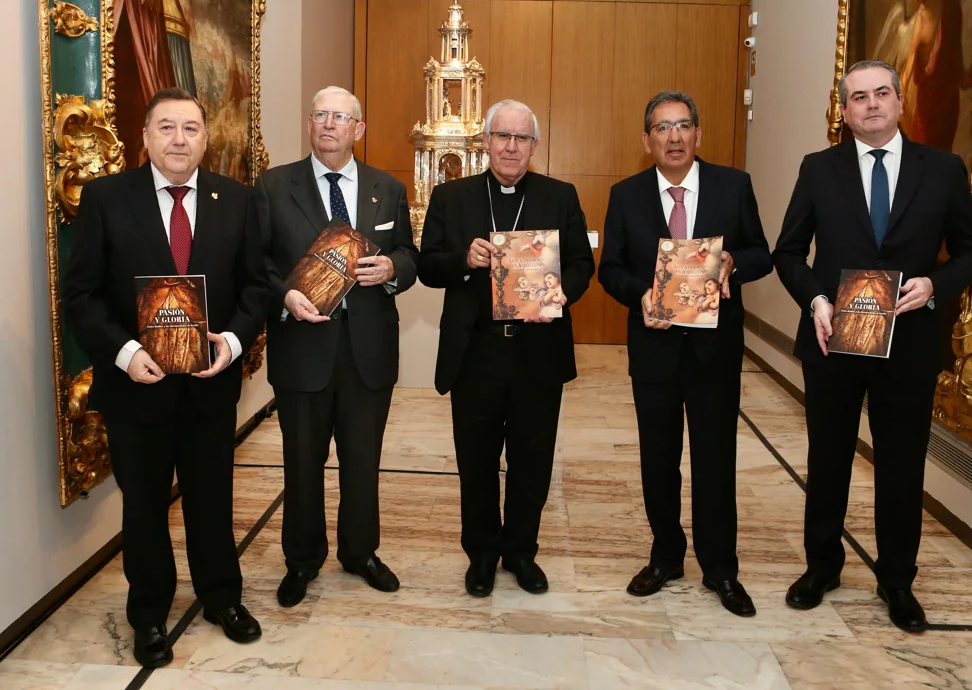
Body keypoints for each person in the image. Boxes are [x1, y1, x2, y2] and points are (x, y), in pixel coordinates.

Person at [773, 60, 972, 632]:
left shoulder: (941, 170)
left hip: (908, 343)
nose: (870, 104)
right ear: (843, 112)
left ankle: (897, 581)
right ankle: (822, 567)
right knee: (829, 461)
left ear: (900, 101)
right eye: (858, 97)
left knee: (900, 468)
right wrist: (817, 301)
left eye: (881, 94)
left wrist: (934, 285)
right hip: (833, 341)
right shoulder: (819, 169)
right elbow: (788, 252)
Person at [63, 88, 273, 668]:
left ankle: (221, 599)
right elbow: (79, 296)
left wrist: (232, 342)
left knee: (212, 497)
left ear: (206, 136)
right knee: (145, 505)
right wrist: (126, 352)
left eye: (190, 128)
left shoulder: (237, 199)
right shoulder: (106, 197)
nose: (179, 140)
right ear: (147, 136)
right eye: (167, 128)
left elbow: (258, 285)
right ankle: (149, 615)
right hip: (137, 387)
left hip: (210, 383)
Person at [599, 90, 772, 617]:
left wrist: (732, 265)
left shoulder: (733, 185)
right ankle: (666, 555)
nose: (673, 137)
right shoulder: (625, 194)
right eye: (662, 127)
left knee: (716, 460)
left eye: (683, 126)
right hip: (653, 350)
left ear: (698, 134)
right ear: (646, 139)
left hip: (715, 350)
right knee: (659, 458)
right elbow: (611, 269)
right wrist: (640, 293)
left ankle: (720, 568)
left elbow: (762, 253)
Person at [418, 100, 595, 597]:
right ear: (485, 141)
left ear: (534, 147)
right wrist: (464, 259)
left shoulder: (560, 196)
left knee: (531, 461)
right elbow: (428, 265)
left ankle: (521, 553)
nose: (512, 147)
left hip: (537, 353)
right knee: (475, 462)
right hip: (475, 353)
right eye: (502, 136)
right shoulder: (451, 197)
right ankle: (480, 555)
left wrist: (563, 289)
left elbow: (582, 264)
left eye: (522, 138)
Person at [254, 86, 418, 608]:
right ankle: (302, 559)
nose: (329, 124)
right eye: (321, 115)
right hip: (302, 347)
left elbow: (409, 254)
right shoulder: (274, 186)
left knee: (362, 460)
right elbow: (255, 265)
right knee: (301, 463)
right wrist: (285, 295)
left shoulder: (386, 189)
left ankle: (360, 552)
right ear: (309, 124)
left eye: (340, 117)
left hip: (368, 350)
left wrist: (393, 269)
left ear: (358, 129)